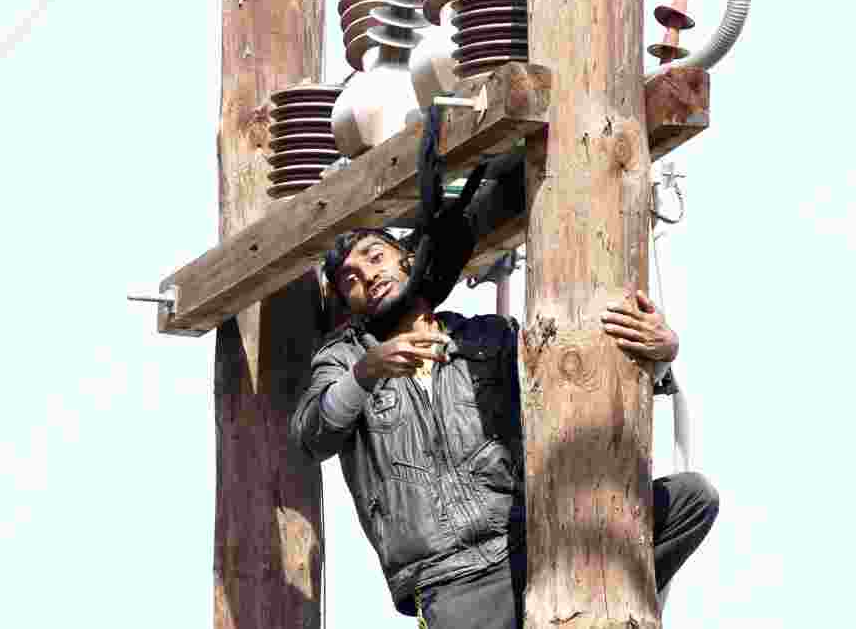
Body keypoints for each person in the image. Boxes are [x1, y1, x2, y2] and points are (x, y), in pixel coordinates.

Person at [292, 228, 718, 628]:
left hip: (537, 539)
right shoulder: (345, 360)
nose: (369, 275)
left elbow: (580, 376)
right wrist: (368, 371)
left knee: (690, 499)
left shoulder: (489, 337)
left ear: (406, 260)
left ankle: (595, 604)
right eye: (351, 278)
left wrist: (660, 353)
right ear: (347, 304)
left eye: (375, 257)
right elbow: (311, 436)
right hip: (452, 578)